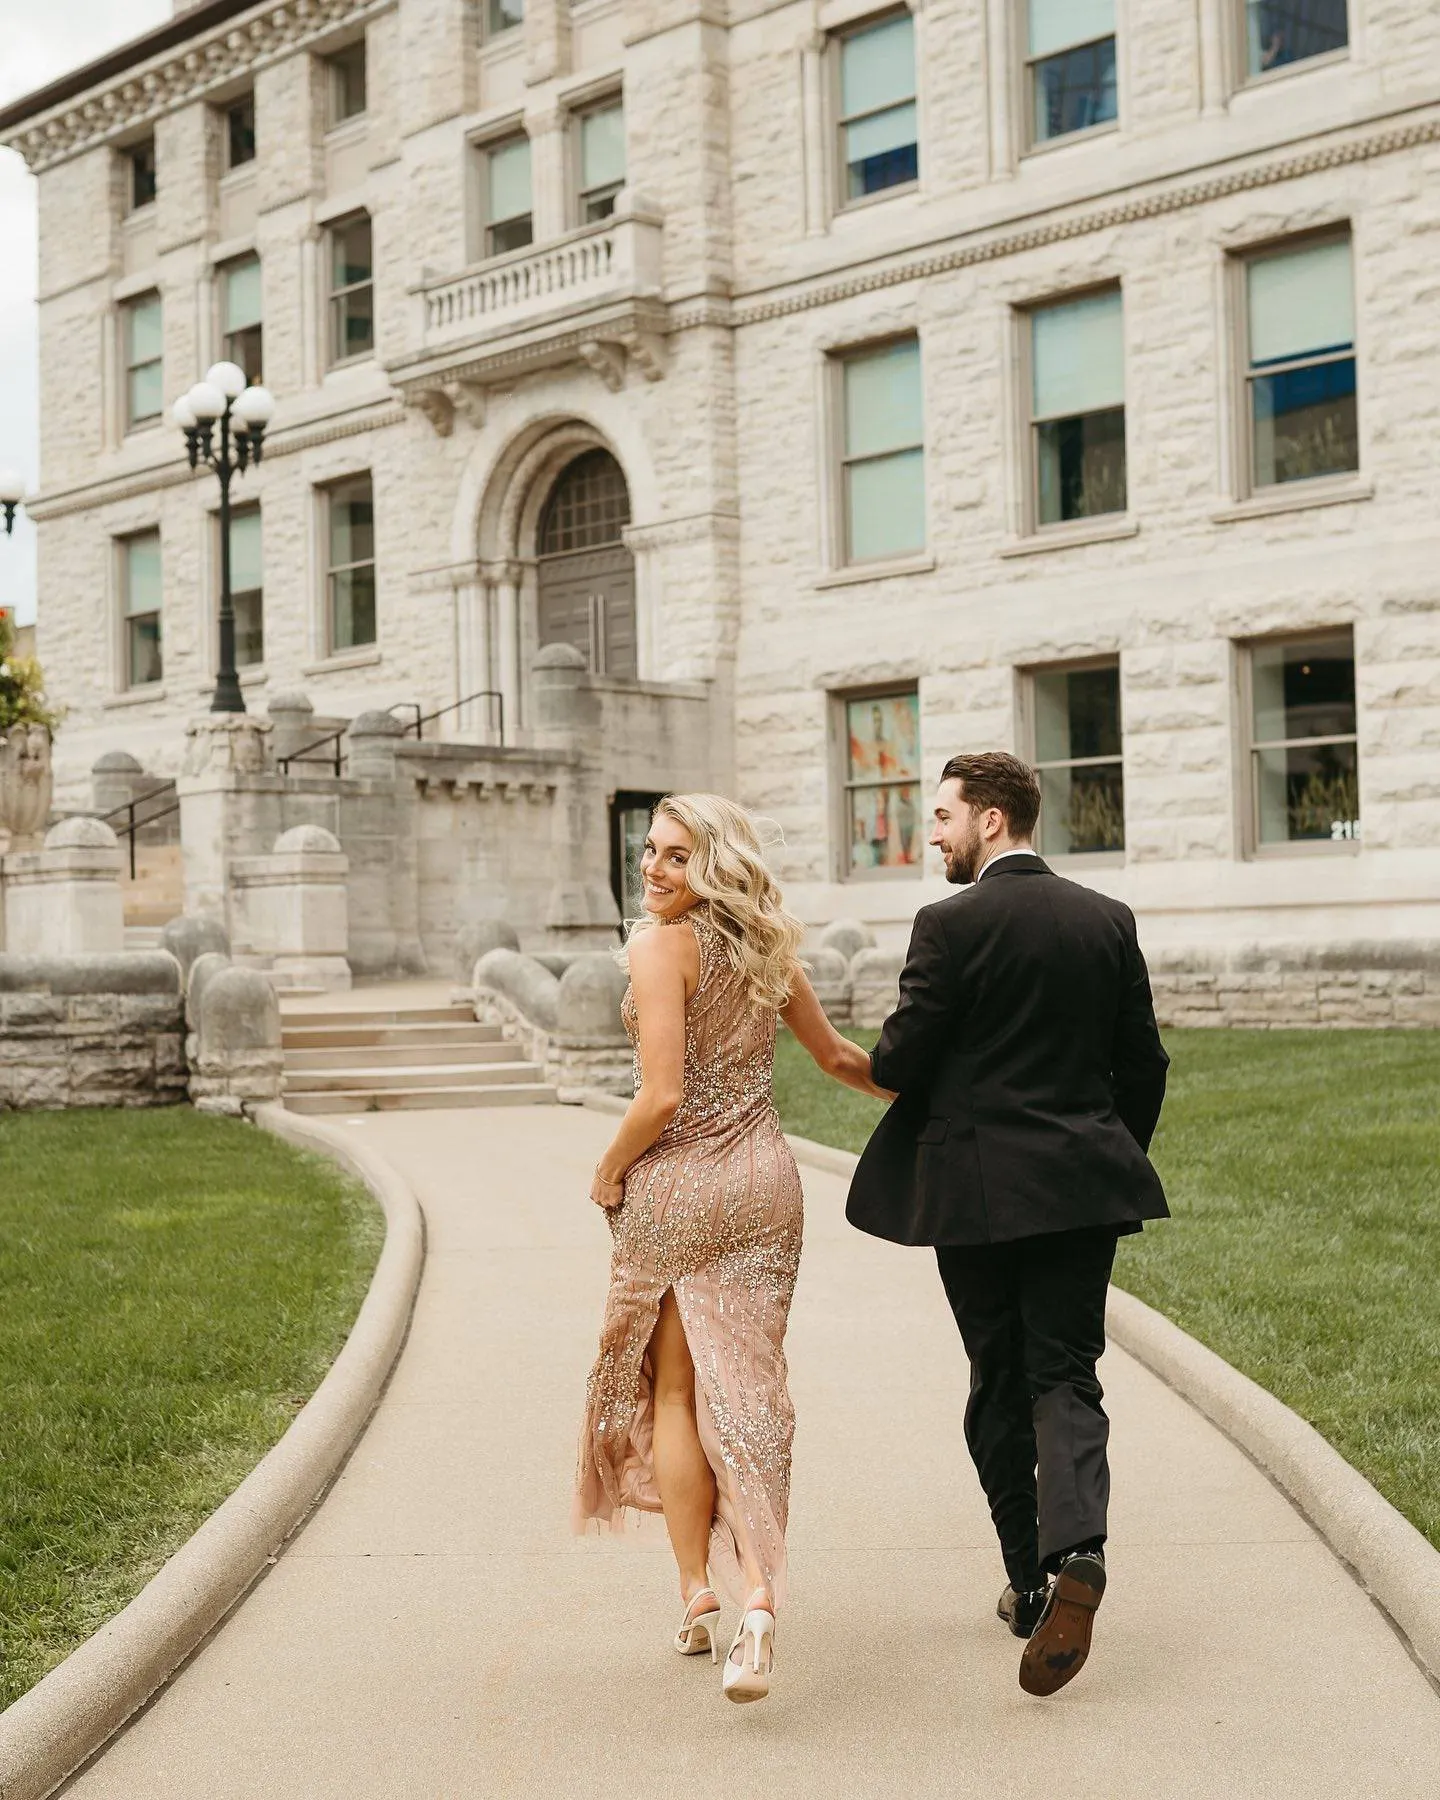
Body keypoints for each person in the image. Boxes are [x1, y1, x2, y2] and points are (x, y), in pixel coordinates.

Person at [846, 751, 1169, 1696]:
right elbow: (1142, 1064)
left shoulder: (948, 925)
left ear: (992, 820)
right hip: (1081, 1186)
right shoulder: (1106, 920)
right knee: (1066, 1371)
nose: (932, 834)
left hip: (975, 1195)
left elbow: (902, 1061)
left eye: (942, 816)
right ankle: (1080, 1551)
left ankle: (1029, 1584)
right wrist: (1104, 1150)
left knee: (997, 1377)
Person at [574, 793, 886, 1704]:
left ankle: (698, 1589)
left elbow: (661, 1096)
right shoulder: (764, 950)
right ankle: (756, 1595)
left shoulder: (656, 947)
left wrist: (605, 1171)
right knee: (749, 1387)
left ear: (712, 864)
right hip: (766, 1189)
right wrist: (922, 1096)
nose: (655, 870)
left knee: (675, 1389)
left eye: (676, 857)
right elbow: (838, 1060)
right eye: (650, 851)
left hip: (680, 1190)